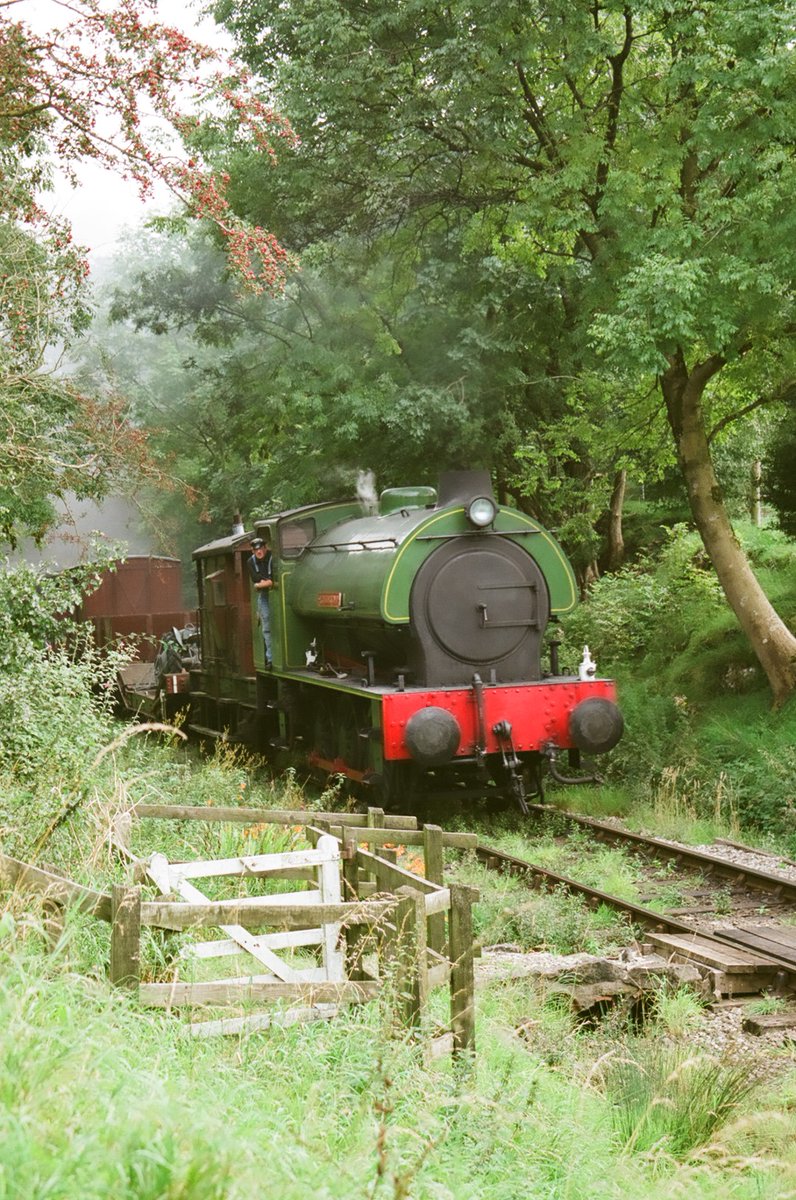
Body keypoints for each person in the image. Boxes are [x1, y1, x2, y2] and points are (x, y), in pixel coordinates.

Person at [248, 536, 274, 666]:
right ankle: (270, 658)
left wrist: (263, 583)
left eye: (261, 549)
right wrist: (264, 583)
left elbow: (271, 579)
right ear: (253, 551)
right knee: (266, 627)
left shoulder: (272, 558)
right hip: (264, 595)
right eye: (255, 550)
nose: (259, 552)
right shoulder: (250, 562)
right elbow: (256, 579)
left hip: (276, 593)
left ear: (265, 548)